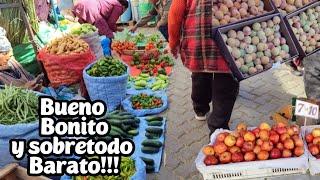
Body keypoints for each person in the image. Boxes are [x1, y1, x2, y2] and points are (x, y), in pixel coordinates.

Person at [168, 0, 239, 134]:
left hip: (198, 39)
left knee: (200, 75)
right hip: (228, 38)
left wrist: (173, 43)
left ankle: (200, 109)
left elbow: (174, 16)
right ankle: (218, 127)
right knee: (226, 83)